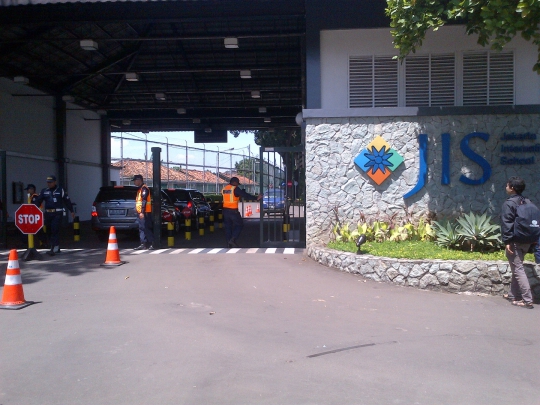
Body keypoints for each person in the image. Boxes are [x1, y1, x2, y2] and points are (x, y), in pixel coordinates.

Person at [500, 176, 534, 309]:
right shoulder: (527, 201)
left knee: (518, 268)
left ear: (512, 188)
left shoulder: (509, 203)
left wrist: (507, 240)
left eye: (507, 185)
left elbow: (507, 223)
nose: (506, 187)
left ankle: (527, 300)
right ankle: (513, 294)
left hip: (515, 240)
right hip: (526, 240)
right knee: (517, 266)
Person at [35, 175, 75, 256]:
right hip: (48, 213)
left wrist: (71, 210)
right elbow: (38, 201)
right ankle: (53, 246)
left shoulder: (60, 190)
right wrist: (33, 208)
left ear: (55, 182)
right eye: (48, 182)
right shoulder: (44, 191)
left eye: (50, 182)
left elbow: (67, 200)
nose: (49, 184)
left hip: (57, 213)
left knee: (54, 229)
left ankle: (55, 247)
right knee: (49, 230)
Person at [221, 176, 262, 248]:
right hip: (233, 211)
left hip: (225, 211)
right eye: (237, 183)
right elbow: (245, 195)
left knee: (228, 227)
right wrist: (256, 198)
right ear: (235, 182)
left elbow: (231, 196)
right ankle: (233, 239)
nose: (237, 185)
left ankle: (228, 243)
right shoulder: (235, 188)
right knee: (239, 225)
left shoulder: (224, 189)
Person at [133, 174, 154, 250]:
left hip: (145, 212)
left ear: (139, 180)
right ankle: (143, 243)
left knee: (146, 228)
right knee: (141, 228)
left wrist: (142, 212)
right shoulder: (139, 190)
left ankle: (152, 243)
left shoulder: (144, 189)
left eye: (135, 181)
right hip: (141, 213)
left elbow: (144, 201)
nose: (134, 182)